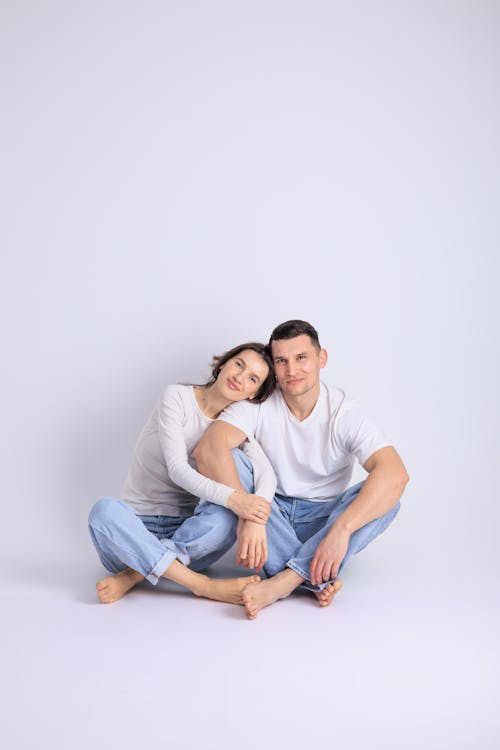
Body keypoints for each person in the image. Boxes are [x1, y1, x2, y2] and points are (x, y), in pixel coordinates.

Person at [184, 320, 410, 619]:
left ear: (321, 358)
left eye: (301, 358)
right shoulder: (260, 402)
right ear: (274, 366)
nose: (291, 370)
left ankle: (285, 581)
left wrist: (339, 531)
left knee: (387, 499)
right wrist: (248, 512)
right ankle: (312, 577)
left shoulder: (344, 412)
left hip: (322, 520)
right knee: (236, 461)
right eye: (281, 361)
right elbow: (208, 449)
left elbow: (396, 473)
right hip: (269, 513)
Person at [88, 342, 277, 605]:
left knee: (227, 519)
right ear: (224, 363)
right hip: (134, 530)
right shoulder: (176, 397)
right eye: (239, 364)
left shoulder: (234, 422)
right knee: (103, 512)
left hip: (187, 536)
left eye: (252, 378)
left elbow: (265, 472)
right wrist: (236, 500)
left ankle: (133, 575)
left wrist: (256, 515)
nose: (239, 377)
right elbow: (177, 470)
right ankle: (202, 586)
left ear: (254, 394)